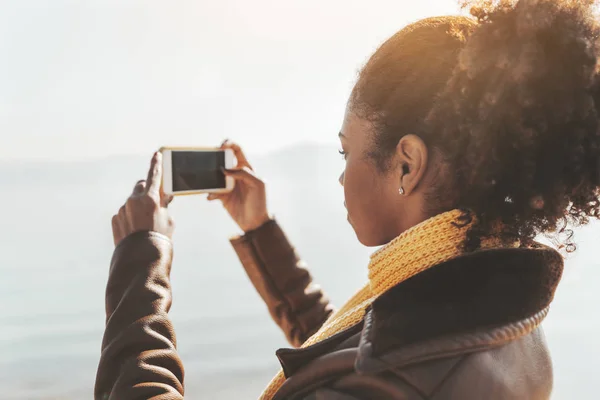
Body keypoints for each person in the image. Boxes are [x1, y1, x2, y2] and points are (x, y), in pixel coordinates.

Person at [94, 0, 600, 398]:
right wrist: (261, 231)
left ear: (406, 164)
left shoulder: (400, 374)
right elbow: (347, 351)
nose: (340, 177)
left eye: (346, 151)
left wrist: (141, 259)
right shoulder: (497, 311)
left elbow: (362, 369)